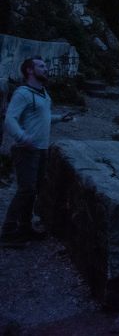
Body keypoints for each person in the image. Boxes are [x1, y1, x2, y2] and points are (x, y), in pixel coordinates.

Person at [1, 57, 72, 247]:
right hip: (26, 151)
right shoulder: (23, 93)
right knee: (26, 190)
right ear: (29, 71)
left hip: (41, 150)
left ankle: (25, 228)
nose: (46, 69)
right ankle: (7, 232)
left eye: (46, 66)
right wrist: (22, 137)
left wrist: (59, 118)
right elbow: (10, 119)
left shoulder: (43, 93)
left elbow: (44, 117)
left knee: (34, 191)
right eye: (41, 66)